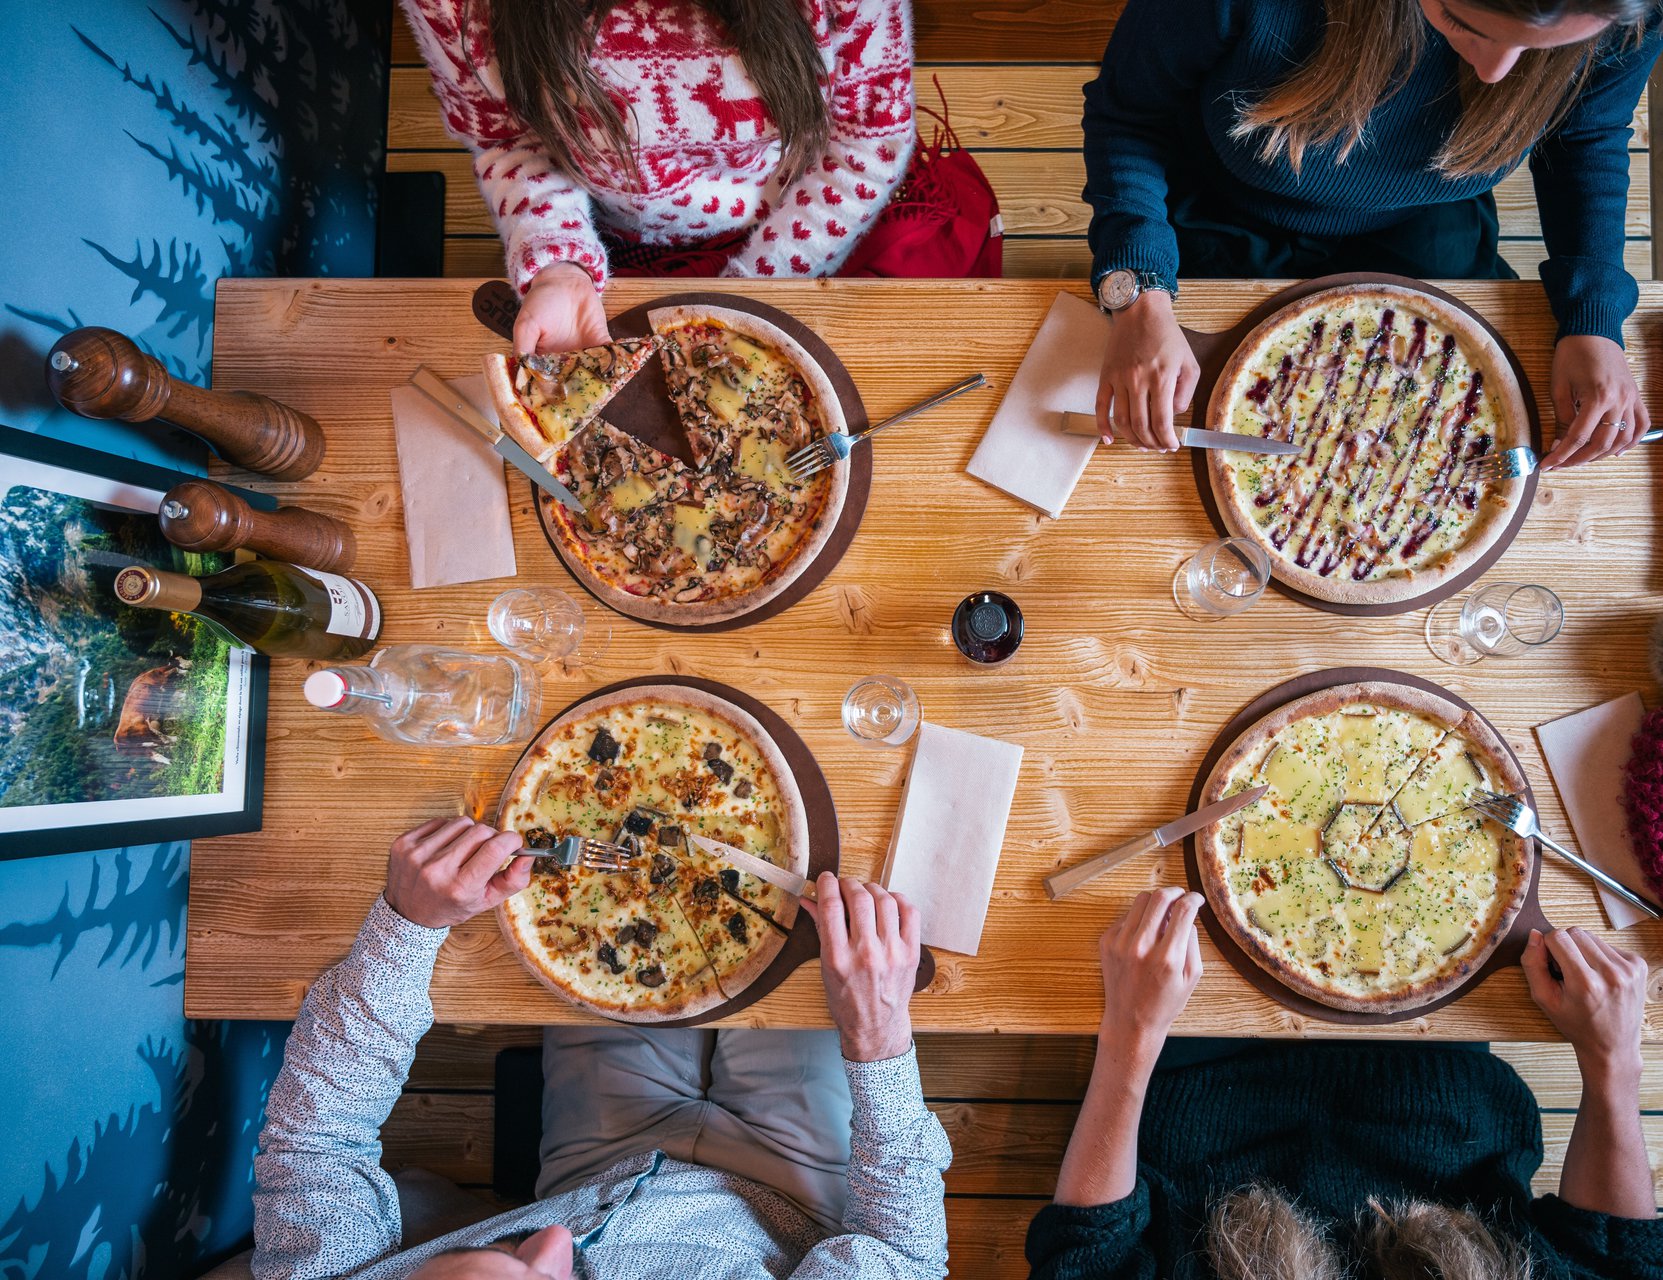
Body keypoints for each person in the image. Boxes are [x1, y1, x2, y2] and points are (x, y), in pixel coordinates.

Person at [250, 817, 950, 1278]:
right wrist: (878, 1033)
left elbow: (316, 1142)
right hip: (791, 1195)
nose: (558, 1240)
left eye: (503, 1247)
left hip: (596, 1162)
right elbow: (902, 1255)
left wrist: (406, 925)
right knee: (810, 910)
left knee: (615, 896)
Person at [1083, 0, 1663, 470]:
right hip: (1218, 199)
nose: (1494, 74)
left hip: (1431, 212)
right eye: (1463, 23)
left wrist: (1593, 320)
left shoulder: (1632, 13)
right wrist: (1137, 291)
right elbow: (1130, 117)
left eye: (1545, 50)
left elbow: (1585, 139)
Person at [1026, 886, 1661, 1278]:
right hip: (1443, 1048)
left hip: (1188, 1051)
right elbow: (1613, 1257)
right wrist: (1612, 1062)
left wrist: (1129, 1038)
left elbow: (1087, 1257)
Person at [399, 0, 915, 356]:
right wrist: (559, 263)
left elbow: (867, 142)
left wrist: (752, 295)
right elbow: (509, 141)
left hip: (798, 228)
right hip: (598, 241)